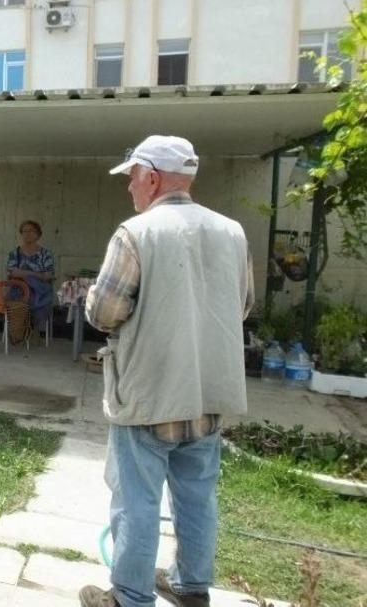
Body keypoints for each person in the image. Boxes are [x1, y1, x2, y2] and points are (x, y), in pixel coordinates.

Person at [79, 136, 253, 607]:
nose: (130, 188)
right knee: (197, 499)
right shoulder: (232, 232)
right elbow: (242, 306)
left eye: (132, 177)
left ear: (152, 177)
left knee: (136, 501)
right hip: (207, 393)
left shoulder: (136, 233)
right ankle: (192, 587)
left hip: (149, 398)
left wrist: (90, 297)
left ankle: (130, 598)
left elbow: (105, 312)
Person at [6, 220, 55, 334]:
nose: (27, 234)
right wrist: (38, 275)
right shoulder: (15, 253)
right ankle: (26, 329)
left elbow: (48, 275)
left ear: (38, 234)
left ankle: (33, 329)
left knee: (40, 292)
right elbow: (12, 273)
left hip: (40, 289)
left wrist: (25, 273)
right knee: (24, 292)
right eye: (24, 231)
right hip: (19, 290)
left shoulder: (45, 254)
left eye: (31, 231)